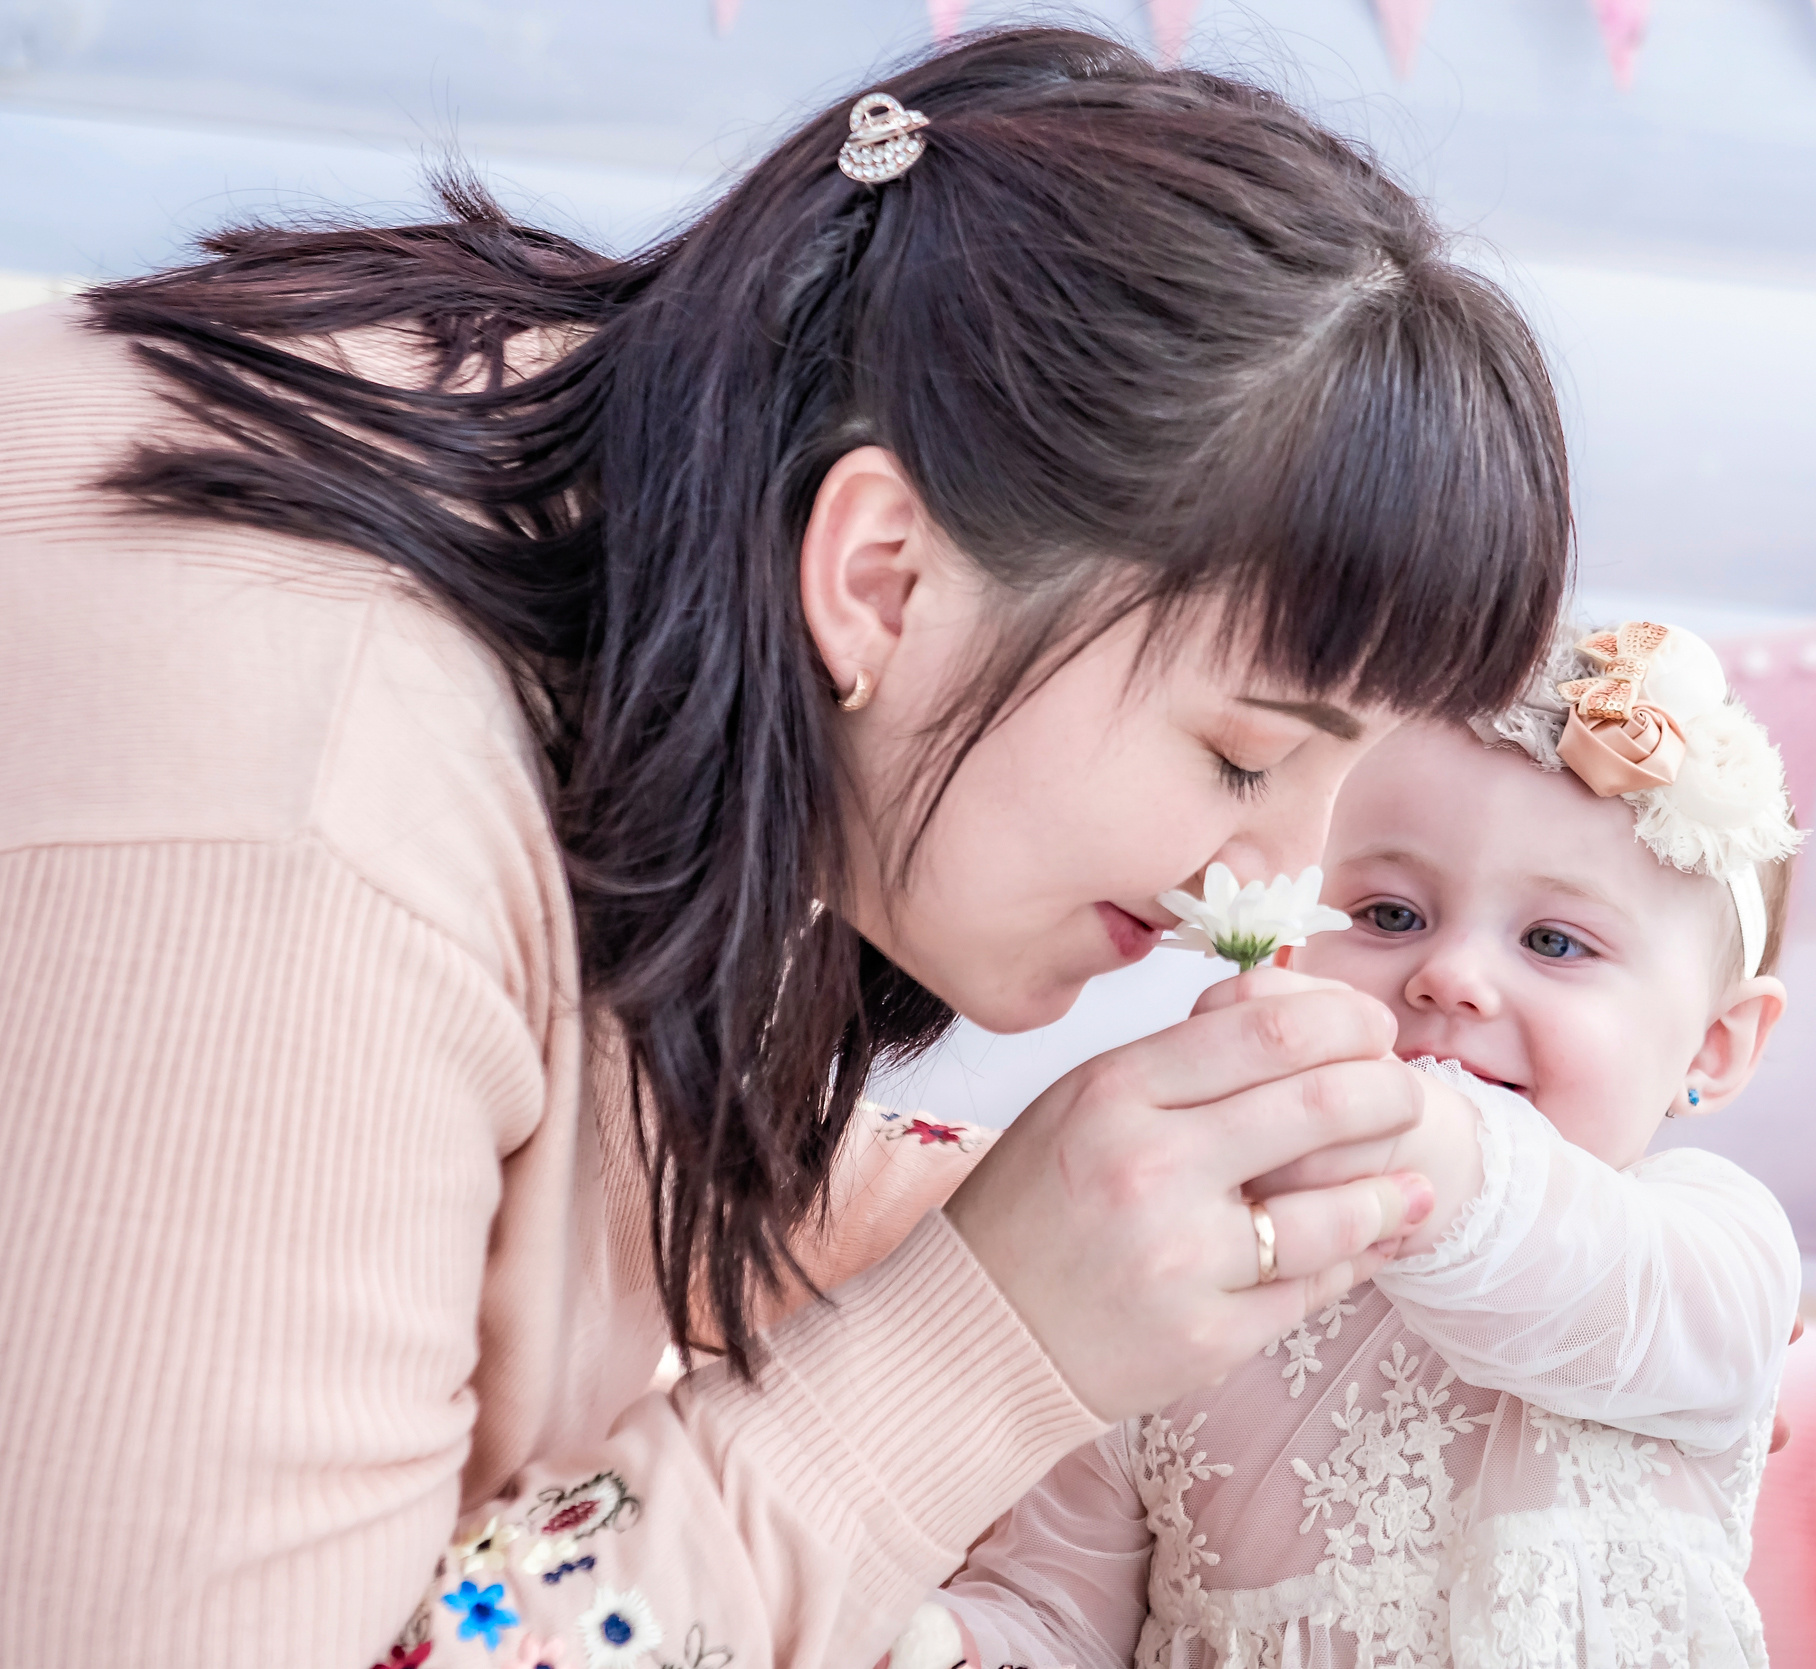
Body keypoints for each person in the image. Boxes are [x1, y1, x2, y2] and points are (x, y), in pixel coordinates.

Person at [0, 28, 1572, 1669]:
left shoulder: (655, 498)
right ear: (883, 575)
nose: (1275, 884)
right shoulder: (302, 837)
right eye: (1246, 754)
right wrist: (989, 1335)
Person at [910, 619, 1805, 1669]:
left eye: (1553, 941)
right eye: (1387, 915)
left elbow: (1582, 1271)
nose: (1451, 975)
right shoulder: (1189, 1271)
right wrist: (962, 1642)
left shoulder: (1708, 1248)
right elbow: (1061, 1605)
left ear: (1714, 1043)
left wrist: (1420, 1140)